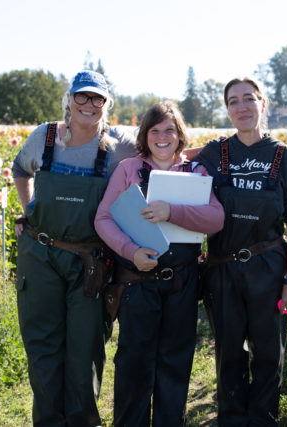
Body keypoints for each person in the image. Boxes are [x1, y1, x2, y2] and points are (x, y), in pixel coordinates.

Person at [12, 70, 137, 426]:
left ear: (106, 104)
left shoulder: (118, 144)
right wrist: (29, 210)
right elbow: (20, 168)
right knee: (43, 348)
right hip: (40, 257)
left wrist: (220, 147)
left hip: (89, 263)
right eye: (81, 96)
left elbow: (164, 145)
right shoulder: (46, 137)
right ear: (68, 99)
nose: (89, 104)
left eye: (97, 98)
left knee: (85, 353)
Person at [94, 101, 224, 426]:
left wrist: (172, 211)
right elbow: (103, 218)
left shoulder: (196, 173)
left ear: (180, 135)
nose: (162, 136)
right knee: (135, 366)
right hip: (137, 283)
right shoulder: (129, 169)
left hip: (182, 283)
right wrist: (131, 249)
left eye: (169, 130)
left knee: (175, 365)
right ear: (145, 135)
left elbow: (216, 218)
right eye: (155, 130)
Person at [195, 77, 287, 426]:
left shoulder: (283, 157)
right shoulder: (216, 152)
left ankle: (262, 419)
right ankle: (230, 418)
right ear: (227, 109)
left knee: (269, 354)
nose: (242, 107)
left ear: (263, 103)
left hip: (269, 268)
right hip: (223, 268)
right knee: (228, 353)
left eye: (248, 99)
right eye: (233, 102)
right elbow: (177, 162)